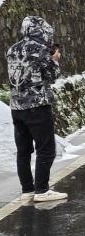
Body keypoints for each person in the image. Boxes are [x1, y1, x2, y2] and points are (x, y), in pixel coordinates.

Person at [6, 16, 67, 203]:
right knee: (46, 148)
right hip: (37, 105)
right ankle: (42, 189)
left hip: (16, 106)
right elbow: (51, 75)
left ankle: (27, 189)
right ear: (41, 30)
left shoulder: (12, 49)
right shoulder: (40, 49)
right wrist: (55, 59)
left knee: (23, 150)